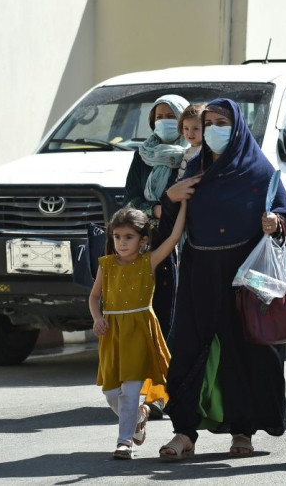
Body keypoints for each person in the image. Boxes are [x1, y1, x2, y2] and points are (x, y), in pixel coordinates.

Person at [157, 98, 286, 460]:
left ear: (237, 128)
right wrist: (169, 198)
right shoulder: (194, 170)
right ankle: (184, 432)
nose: (214, 129)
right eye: (209, 123)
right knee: (188, 350)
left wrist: (276, 223)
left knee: (243, 353)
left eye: (222, 122)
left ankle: (242, 433)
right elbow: (170, 225)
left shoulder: (258, 172)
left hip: (243, 277)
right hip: (199, 273)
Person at [89, 202, 187, 460]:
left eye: (128, 237)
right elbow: (93, 297)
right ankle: (140, 416)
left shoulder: (149, 261)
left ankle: (124, 443)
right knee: (111, 393)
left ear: (143, 240)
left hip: (140, 332)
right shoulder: (106, 265)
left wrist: (183, 204)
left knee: (131, 391)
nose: (121, 243)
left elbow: (175, 237)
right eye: (117, 237)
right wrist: (97, 318)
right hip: (112, 334)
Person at [124, 94, 189, 419]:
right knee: (153, 321)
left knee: (176, 320)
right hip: (149, 247)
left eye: (170, 115)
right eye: (158, 115)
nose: (163, 120)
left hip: (183, 245)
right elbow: (130, 198)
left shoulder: (190, 155)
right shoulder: (143, 155)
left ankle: (170, 392)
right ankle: (151, 393)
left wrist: (173, 210)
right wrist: (155, 209)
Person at [177, 103, 205, 180]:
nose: (189, 133)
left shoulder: (203, 152)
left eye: (195, 128)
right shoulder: (190, 149)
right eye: (186, 128)